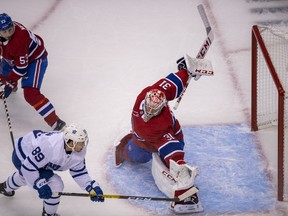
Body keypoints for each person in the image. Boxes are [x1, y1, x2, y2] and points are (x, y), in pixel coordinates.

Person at [114, 54, 213, 214]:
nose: (150, 112)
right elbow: (170, 147)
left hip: (172, 132)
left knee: (176, 148)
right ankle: (124, 149)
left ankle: (181, 190)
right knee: (140, 156)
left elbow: (170, 84)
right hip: (144, 144)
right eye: (149, 108)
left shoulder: (153, 93)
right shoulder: (151, 127)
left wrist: (186, 72)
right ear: (145, 101)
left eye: (155, 109)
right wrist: (180, 166)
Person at [0, 123, 105, 216]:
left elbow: (78, 171)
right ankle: (48, 214)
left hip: (37, 162)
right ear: (71, 143)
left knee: (26, 177)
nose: (83, 145)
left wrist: (90, 187)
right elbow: (28, 167)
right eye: (80, 142)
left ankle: (4, 187)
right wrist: (39, 184)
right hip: (22, 155)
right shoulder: (50, 146)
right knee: (55, 184)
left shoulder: (79, 150)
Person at [0, 13, 65, 131]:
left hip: (35, 60)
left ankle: (56, 123)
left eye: (10, 29)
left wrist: (9, 82)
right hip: (14, 58)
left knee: (30, 93)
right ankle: (12, 86)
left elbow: (21, 67)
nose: (9, 34)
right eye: (5, 32)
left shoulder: (19, 39)